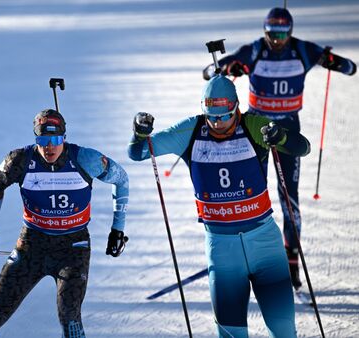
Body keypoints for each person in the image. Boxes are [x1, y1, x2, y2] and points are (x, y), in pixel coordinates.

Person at [128, 74, 311, 337]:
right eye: (211, 116)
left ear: (236, 107)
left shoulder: (253, 125)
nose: (217, 122)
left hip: (266, 247)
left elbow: (302, 147)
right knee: (230, 334)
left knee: (283, 331)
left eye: (224, 116)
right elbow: (139, 152)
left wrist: (280, 136)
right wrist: (139, 133)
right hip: (223, 254)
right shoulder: (190, 131)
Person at [202, 7, 357, 289]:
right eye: (272, 33)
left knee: (289, 196)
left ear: (291, 31)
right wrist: (228, 67)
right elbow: (209, 72)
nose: (277, 40)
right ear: (265, 31)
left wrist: (334, 61)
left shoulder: (302, 50)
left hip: (287, 130)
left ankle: (292, 257)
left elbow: (351, 68)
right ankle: (254, 254)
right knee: (253, 192)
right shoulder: (255, 51)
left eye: (283, 33)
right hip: (256, 130)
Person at [0, 109, 129, 338]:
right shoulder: (20, 160)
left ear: (63, 137)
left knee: (70, 317)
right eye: (43, 140)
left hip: (73, 248)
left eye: (55, 140)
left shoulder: (85, 159)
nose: (49, 147)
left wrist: (117, 229)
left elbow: (121, 179)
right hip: (31, 246)